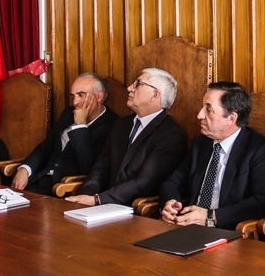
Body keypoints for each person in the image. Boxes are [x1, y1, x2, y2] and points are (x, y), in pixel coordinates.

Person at [159, 81, 265, 229]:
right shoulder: (201, 144)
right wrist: (170, 203)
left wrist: (211, 216)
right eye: (202, 107)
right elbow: (172, 183)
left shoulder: (259, 149)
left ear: (231, 118)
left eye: (208, 109)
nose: (199, 115)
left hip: (228, 231)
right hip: (188, 227)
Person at [66, 68, 187, 206]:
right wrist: (84, 197)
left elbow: (144, 183)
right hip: (103, 205)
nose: (130, 88)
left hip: (135, 210)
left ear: (155, 95)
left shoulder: (170, 135)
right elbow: (100, 169)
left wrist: (97, 200)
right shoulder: (121, 124)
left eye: (138, 84)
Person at [12, 73, 116, 195]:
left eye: (81, 95)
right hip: (38, 182)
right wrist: (25, 169)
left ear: (99, 96)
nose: (75, 102)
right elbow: (46, 147)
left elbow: (89, 169)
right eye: (73, 96)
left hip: (64, 190)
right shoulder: (68, 113)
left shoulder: (111, 125)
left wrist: (80, 126)